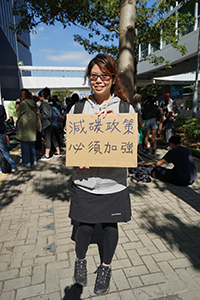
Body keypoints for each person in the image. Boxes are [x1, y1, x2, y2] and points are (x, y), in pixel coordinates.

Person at [68, 53, 135, 295]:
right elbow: (70, 140)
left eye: (104, 75)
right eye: (94, 75)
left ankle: (105, 267)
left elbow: (132, 143)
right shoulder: (78, 108)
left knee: (110, 226)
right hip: (85, 182)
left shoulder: (125, 108)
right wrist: (77, 157)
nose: (98, 80)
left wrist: (115, 123)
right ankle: (81, 260)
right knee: (83, 227)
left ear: (112, 78)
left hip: (114, 183)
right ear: (88, 78)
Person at [16, 89, 38, 168]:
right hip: (32, 127)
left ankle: (27, 162)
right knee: (32, 145)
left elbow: (18, 114)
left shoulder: (23, 104)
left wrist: (17, 108)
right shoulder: (34, 103)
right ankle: (34, 160)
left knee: (25, 145)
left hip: (25, 127)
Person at [38, 90, 61, 160]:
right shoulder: (48, 103)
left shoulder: (44, 105)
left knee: (48, 139)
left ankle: (47, 155)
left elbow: (48, 115)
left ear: (42, 97)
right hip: (52, 123)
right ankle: (58, 151)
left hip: (47, 124)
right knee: (53, 138)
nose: (39, 98)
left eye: (39, 96)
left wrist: (42, 117)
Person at [0, 105, 17, 173]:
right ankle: (13, 166)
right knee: (5, 151)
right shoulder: (1, 107)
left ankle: (1, 169)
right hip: (2, 132)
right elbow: (5, 117)